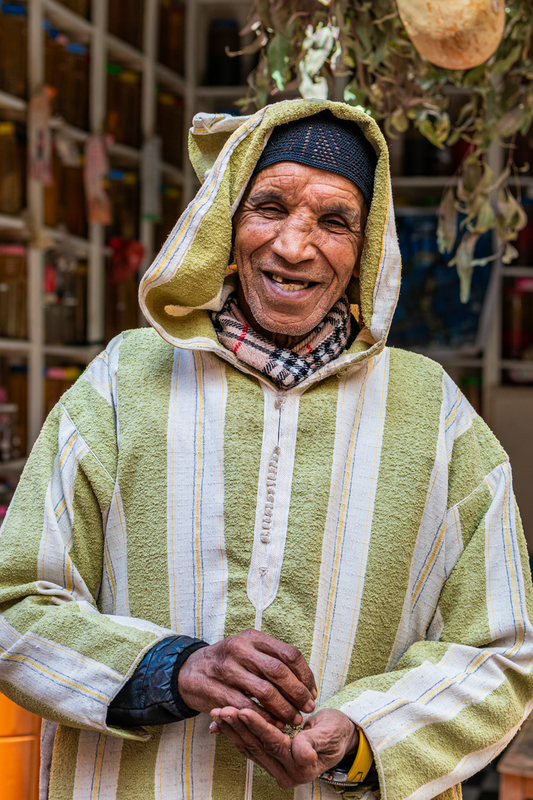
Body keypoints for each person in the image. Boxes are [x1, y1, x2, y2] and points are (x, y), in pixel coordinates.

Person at [0, 99, 532, 800]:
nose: (293, 245)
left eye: (333, 221)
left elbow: (500, 651)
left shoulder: (435, 417)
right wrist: (172, 669)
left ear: (366, 245)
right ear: (225, 221)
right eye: (269, 207)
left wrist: (359, 737)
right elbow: (15, 603)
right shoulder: (122, 384)